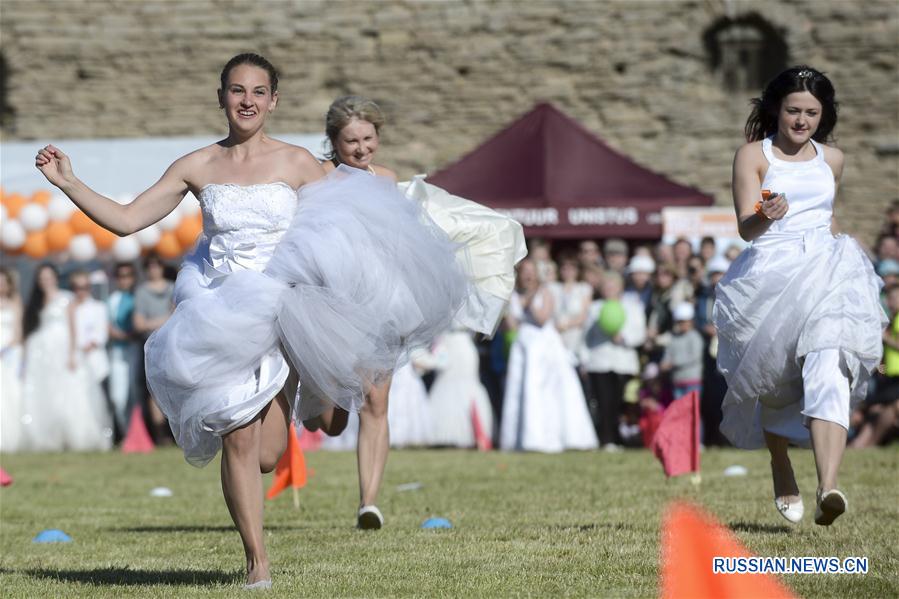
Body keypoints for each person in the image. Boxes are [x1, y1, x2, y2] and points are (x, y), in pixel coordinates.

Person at [36, 54, 471, 589]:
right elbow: (128, 221)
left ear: (273, 100)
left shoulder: (299, 164)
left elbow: (348, 227)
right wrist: (68, 183)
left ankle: (321, 400)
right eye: (237, 90)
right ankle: (257, 565)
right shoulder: (196, 165)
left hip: (286, 308)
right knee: (239, 438)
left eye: (259, 91)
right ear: (221, 97)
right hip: (219, 311)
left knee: (269, 455)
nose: (247, 100)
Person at [312, 94, 525, 526]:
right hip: (332, 302)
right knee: (330, 420)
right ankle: (318, 407)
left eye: (367, 138)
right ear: (334, 142)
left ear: (378, 136)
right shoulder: (317, 180)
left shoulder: (387, 180)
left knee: (376, 402)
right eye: (350, 140)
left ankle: (368, 502)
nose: (360, 148)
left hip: (382, 302)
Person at [714, 66, 887, 526]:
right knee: (770, 379)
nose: (802, 120)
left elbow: (826, 216)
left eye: (812, 112)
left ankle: (828, 486)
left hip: (826, 269)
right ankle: (780, 463)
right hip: (769, 270)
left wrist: (847, 262)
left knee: (829, 363)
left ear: (823, 114)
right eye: (794, 110)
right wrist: (765, 215)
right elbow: (746, 228)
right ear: (776, 108)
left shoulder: (833, 159)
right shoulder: (753, 155)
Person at [500, 259, 598, 452]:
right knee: (521, 389)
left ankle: (546, 437)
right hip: (523, 343)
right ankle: (521, 437)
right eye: (524, 271)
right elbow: (511, 326)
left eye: (531, 271)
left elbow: (543, 318)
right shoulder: (513, 295)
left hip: (543, 345)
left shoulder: (545, 292)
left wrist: (528, 303)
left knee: (542, 389)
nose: (528, 275)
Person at [19, 264, 112, 452]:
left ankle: (77, 436)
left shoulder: (66, 298)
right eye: (42, 278)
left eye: (49, 277)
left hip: (62, 347)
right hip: (42, 353)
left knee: (71, 391)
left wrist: (72, 353)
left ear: (55, 278)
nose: (45, 281)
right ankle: (51, 436)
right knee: (48, 392)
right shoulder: (37, 301)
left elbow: (72, 328)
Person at [581, 270, 646, 450]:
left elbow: (639, 333)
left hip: (623, 363)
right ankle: (606, 439)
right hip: (599, 363)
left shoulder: (632, 306)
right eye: (606, 286)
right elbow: (586, 338)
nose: (609, 289)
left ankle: (618, 437)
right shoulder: (595, 308)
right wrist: (584, 361)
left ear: (620, 287)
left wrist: (623, 338)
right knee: (603, 402)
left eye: (613, 286)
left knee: (620, 402)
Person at [133, 253, 175, 443]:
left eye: (156, 265)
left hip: (174, 346)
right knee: (155, 391)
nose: (153, 269)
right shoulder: (141, 292)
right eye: (149, 266)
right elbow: (138, 324)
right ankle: (160, 435)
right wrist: (164, 320)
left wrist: (153, 322)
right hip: (153, 348)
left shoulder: (173, 288)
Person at [107, 261, 139, 440]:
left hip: (135, 350)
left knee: (134, 396)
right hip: (117, 353)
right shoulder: (111, 300)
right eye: (121, 276)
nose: (124, 280)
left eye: (128, 276)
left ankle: (138, 435)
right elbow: (106, 325)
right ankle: (127, 434)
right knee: (118, 397)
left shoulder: (138, 297)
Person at [0, 267, 24, 452]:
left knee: (11, 392)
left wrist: (6, 348)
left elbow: (17, 333)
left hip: (9, 352)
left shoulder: (15, 303)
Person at [660, 302, 704, 400]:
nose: (682, 324)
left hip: (692, 381)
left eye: (685, 321)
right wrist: (664, 362)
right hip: (677, 381)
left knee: (692, 413)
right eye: (680, 322)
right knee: (680, 413)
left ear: (691, 321)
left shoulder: (695, 337)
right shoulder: (674, 337)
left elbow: (694, 356)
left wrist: (672, 363)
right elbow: (668, 353)